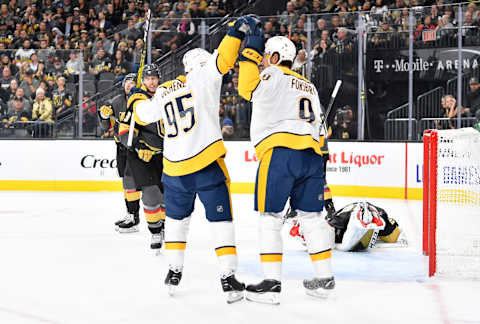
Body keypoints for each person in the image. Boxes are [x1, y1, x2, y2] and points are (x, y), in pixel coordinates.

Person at [133, 17, 253, 303]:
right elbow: (223, 59)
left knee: (176, 222)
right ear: (200, 64)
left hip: (174, 170)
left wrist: (137, 98)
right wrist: (235, 32)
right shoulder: (204, 75)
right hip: (206, 165)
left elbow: (142, 115)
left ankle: (174, 271)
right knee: (221, 221)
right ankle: (228, 277)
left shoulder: (163, 90)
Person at [237, 28, 334, 303]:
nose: (262, 61)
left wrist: (249, 52)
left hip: (281, 153)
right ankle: (324, 278)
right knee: (312, 219)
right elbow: (322, 128)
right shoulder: (309, 86)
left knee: (270, 219)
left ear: (277, 56)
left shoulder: (274, 73)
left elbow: (247, 88)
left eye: (266, 56)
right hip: (312, 154)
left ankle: (271, 284)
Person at [101, 66, 166, 251]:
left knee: (166, 196)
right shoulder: (135, 100)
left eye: (155, 78)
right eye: (148, 78)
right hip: (142, 155)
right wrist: (138, 146)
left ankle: (163, 226)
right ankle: (154, 230)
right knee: (151, 193)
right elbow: (124, 131)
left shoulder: (164, 96)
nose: (152, 82)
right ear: (143, 81)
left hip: (165, 155)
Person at [98, 73, 143, 236]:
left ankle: (138, 216)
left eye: (132, 83)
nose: (129, 85)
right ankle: (131, 214)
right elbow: (104, 127)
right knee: (127, 182)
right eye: (127, 83)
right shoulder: (116, 101)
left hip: (138, 147)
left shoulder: (142, 101)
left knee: (136, 183)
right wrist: (103, 116)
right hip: (121, 147)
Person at [289, 201, 407, 251]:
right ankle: (367, 216)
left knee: (392, 236)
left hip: (370, 215)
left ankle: (369, 216)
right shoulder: (334, 225)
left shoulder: (334, 226)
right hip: (356, 216)